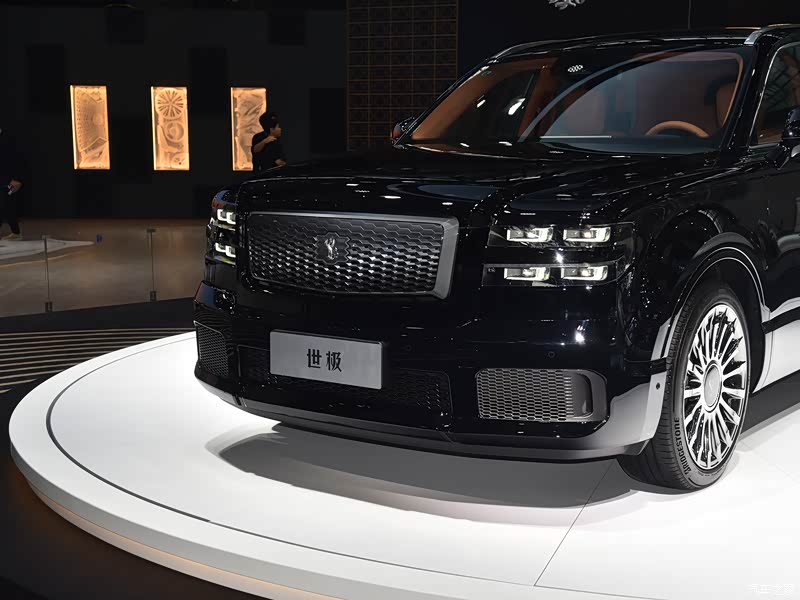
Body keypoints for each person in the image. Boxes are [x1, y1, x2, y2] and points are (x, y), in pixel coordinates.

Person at [0, 126, 23, 241]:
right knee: (5, 205)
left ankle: (16, 232)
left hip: (7, 180)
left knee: (6, 205)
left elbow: (9, 162)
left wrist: (12, 180)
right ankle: (16, 232)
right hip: (5, 179)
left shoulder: (5, 142)